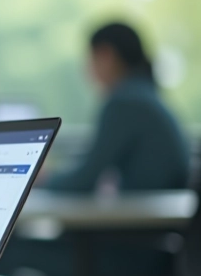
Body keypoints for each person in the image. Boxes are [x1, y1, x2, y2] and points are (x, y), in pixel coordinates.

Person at [42, 22, 190, 192]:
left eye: (90, 59)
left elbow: (84, 180)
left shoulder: (124, 103)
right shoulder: (143, 94)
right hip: (161, 203)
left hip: (148, 211)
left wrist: (42, 179)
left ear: (106, 55)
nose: (86, 69)